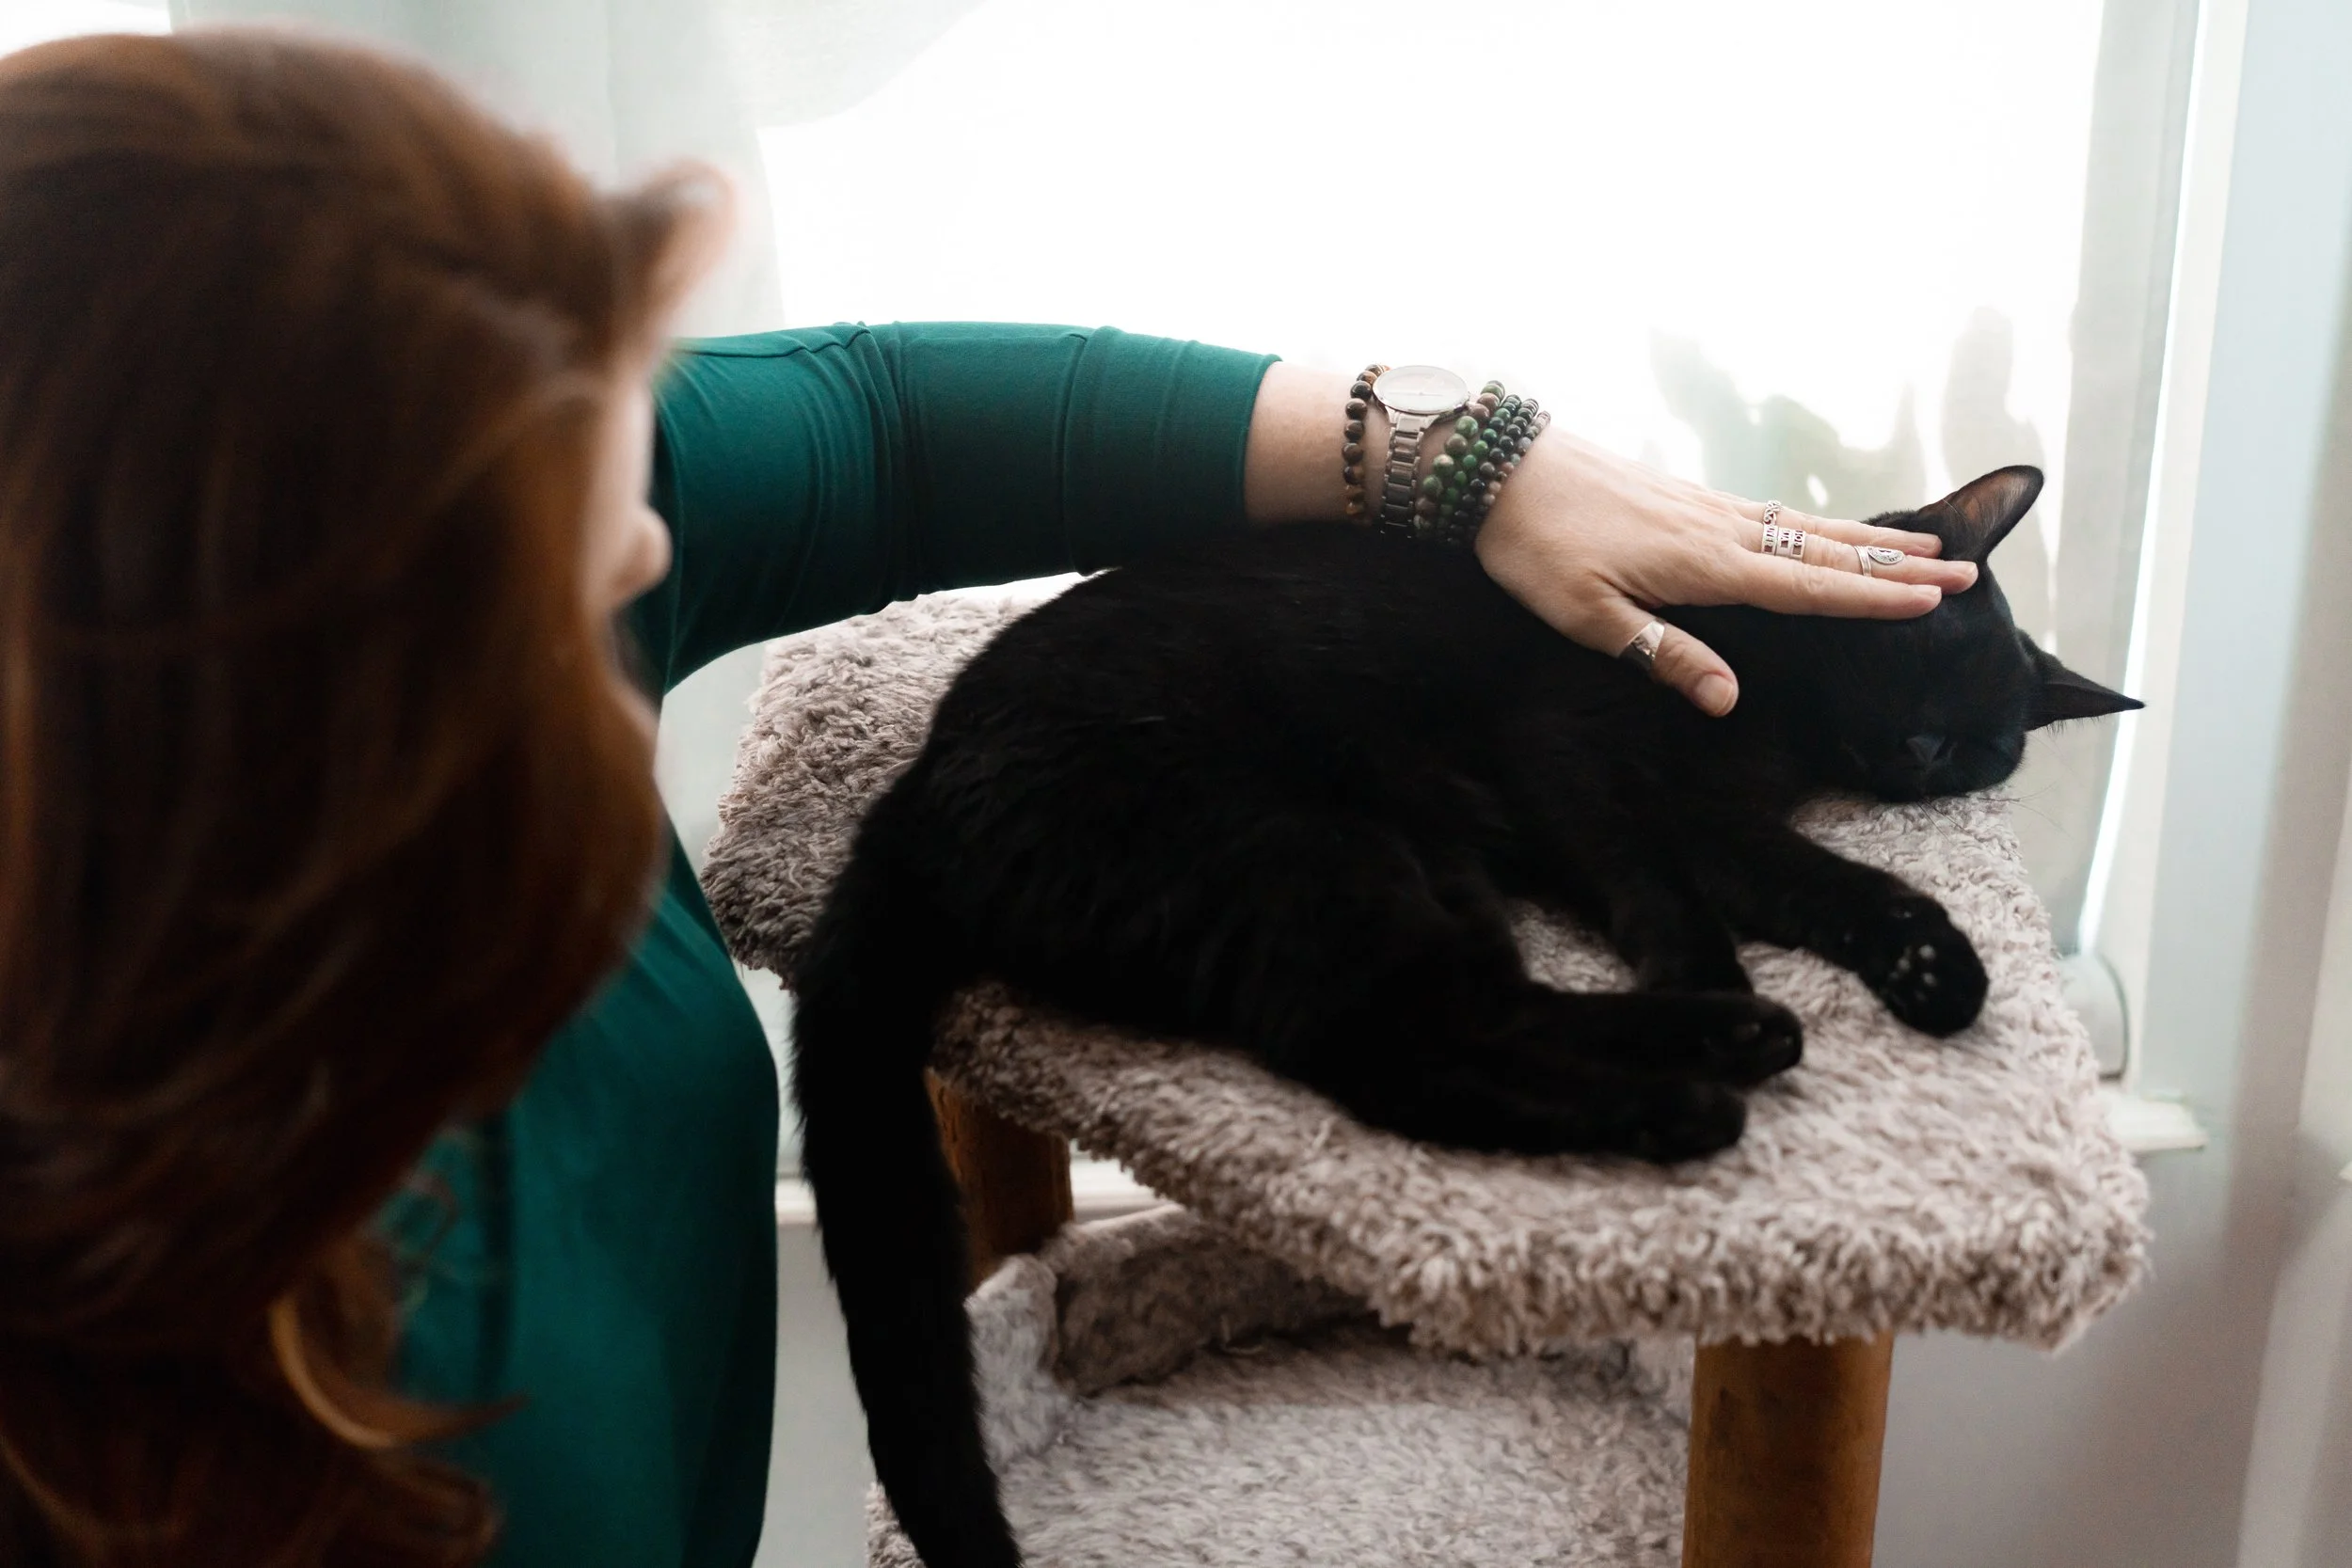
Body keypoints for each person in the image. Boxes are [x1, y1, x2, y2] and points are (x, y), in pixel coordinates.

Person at [0, 27, 1977, 1568]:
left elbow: (876, 421)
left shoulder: (489, 515)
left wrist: (1467, 460)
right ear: (239, 743)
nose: (642, 582)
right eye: (577, 581)